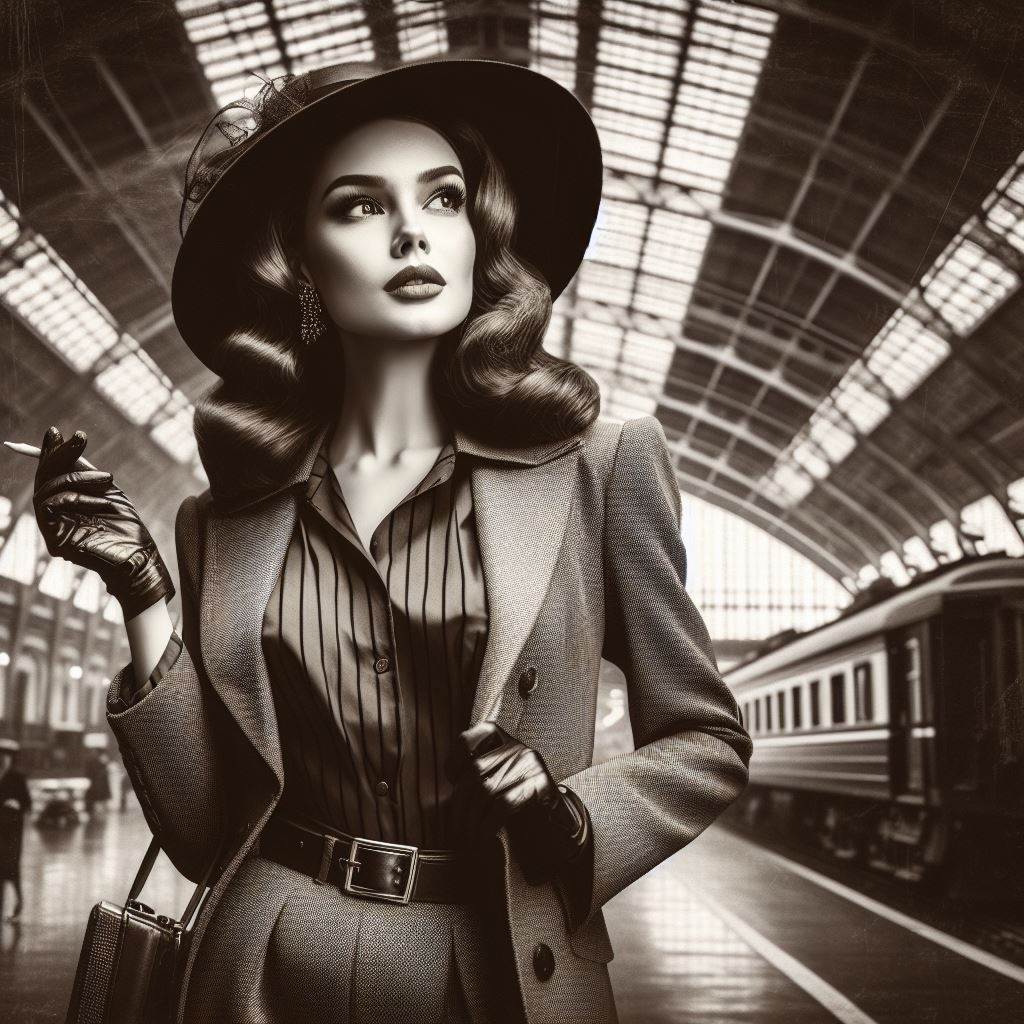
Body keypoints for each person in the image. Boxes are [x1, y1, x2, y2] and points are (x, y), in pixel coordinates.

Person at [26, 57, 752, 1023]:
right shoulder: (225, 520)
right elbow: (208, 835)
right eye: (361, 207)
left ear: (477, 238)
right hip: (262, 964)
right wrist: (144, 597)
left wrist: (570, 817)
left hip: (493, 967)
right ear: (298, 265)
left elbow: (706, 738)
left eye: (444, 198)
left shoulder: (599, 467)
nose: (413, 230)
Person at [0, 738, 31, 922]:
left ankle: (18, 904)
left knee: (11, 869)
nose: (3, 759)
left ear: (11, 758)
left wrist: (17, 804)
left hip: (12, 832)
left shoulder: (17, 778)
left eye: (6, 756)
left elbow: (28, 803)